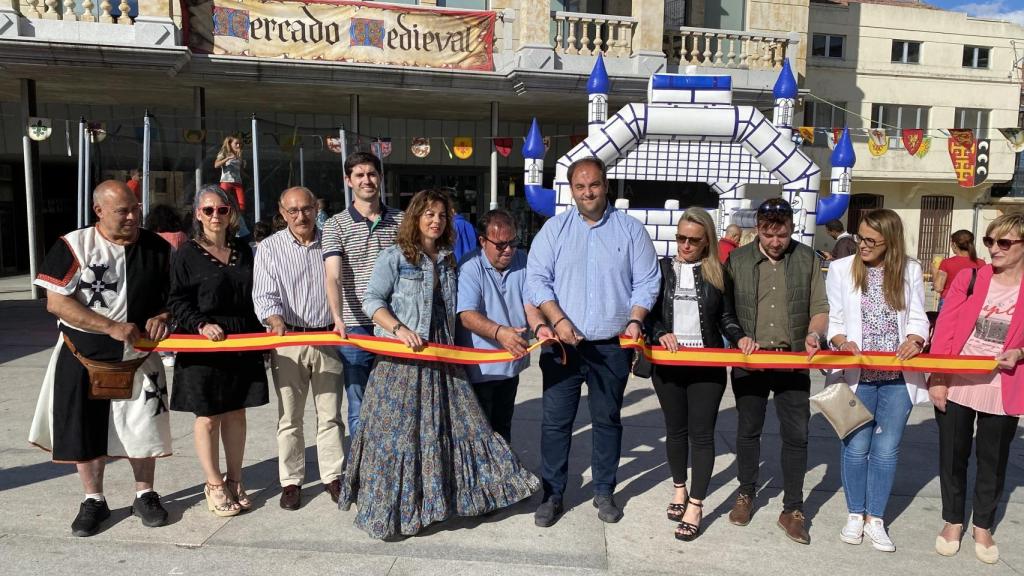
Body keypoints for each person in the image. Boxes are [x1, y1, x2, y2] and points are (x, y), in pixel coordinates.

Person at [339, 188, 539, 540]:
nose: (436, 221)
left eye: (442, 215)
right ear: (415, 217)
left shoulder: (448, 260)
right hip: (402, 361)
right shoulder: (394, 256)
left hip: (442, 359)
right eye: (429, 214)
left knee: (453, 430)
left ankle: (439, 503)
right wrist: (399, 329)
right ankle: (395, 510)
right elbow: (372, 301)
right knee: (399, 438)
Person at [29, 180, 172, 537]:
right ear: (99, 211)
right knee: (84, 429)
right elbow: (56, 302)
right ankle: (94, 499)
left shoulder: (156, 248)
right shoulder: (74, 245)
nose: (132, 216)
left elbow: (174, 297)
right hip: (82, 356)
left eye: (135, 209)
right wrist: (109, 326)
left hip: (139, 357)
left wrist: (164, 316)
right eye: (123, 211)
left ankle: (145, 495)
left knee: (144, 428)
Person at [526, 157, 661, 527]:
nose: (588, 193)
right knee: (555, 424)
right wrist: (558, 319)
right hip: (562, 347)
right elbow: (536, 280)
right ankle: (552, 494)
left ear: (606, 185)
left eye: (594, 185)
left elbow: (647, 281)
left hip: (611, 347)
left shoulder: (630, 231)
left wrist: (636, 320)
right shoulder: (554, 230)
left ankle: (604, 490)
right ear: (571, 190)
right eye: (580, 186)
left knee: (607, 421)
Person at [645, 207, 755, 541]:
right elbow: (649, 314)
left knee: (702, 434)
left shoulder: (718, 272)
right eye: (681, 238)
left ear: (707, 240)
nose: (685, 245)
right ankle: (679, 489)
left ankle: (696, 504)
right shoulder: (662, 269)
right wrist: (660, 332)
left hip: (707, 364)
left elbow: (726, 317)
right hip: (668, 364)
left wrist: (740, 337)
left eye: (693, 240)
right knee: (675, 430)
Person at [724, 197, 828, 545]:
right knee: (748, 430)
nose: (775, 242)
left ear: (791, 229)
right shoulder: (737, 260)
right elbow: (725, 310)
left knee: (797, 435)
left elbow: (820, 307)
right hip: (750, 361)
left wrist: (814, 334)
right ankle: (746, 493)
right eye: (768, 235)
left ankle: (793, 508)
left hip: (792, 360)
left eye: (782, 235)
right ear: (757, 229)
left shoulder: (807, 259)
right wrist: (737, 337)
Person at [825, 209, 929, 553]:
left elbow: (918, 316)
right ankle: (855, 513)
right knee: (856, 447)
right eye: (860, 238)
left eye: (872, 240)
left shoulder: (910, 270)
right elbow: (835, 319)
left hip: (898, 377)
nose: (863, 245)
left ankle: (876, 519)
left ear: (890, 241)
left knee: (886, 450)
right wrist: (842, 342)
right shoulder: (841, 269)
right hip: (857, 377)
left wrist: (915, 339)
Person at [167, 184, 269, 518]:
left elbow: (258, 294)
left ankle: (235, 479)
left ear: (230, 213)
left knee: (237, 413)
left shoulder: (245, 250)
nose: (215, 216)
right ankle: (213, 483)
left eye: (221, 210)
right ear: (198, 214)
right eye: (208, 210)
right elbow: (177, 300)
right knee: (208, 416)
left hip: (242, 340)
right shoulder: (186, 253)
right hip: (203, 343)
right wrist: (200, 324)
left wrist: (265, 333)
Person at [928, 213, 1024, 565]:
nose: (994, 249)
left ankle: (982, 525)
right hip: (958, 381)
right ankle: (953, 520)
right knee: (952, 455)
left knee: (992, 460)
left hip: (1003, 385)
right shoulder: (970, 278)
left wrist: (1020, 352)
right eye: (989, 241)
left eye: (1004, 242)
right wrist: (938, 377)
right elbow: (945, 328)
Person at [253, 186, 344, 510]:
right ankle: (291, 482)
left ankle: (333, 476)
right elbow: (264, 294)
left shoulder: (332, 242)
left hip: (328, 338)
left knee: (330, 415)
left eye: (306, 209)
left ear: (316, 208)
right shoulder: (270, 247)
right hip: (289, 340)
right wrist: (274, 318)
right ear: (282, 212)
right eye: (292, 211)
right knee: (290, 417)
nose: (300, 216)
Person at [322, 152, 402, 438]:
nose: (366, 180)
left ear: (380, 178)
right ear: (348, 181)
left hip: (394, 325)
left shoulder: (402, 220)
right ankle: (360, 464)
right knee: (360, 405)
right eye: (359, 175)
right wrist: (337, 318)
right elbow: (333, 276)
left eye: (371, 174)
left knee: (396, 403)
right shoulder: (335, 225)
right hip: (356, 327)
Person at [456, 209, 553, 443]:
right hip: (480, 369)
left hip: (510, 364)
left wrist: (540, 327)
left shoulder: (522, 260)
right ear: (483, 241)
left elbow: (530, 305)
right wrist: (500, 333)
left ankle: (504, 466)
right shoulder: (470, 266)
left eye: (513, 243)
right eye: (500, 245)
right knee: (480, 435)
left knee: (503, 428)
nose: (508, 250)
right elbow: (466, 315)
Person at [933, 229, 984, 311]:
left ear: (954, 244)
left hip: (949, 301)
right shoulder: (981, 264)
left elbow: (938, 287)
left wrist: (934, 270)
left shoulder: (947, 263)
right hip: (972, 302)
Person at [215, 135, 246, 212]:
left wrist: (242, 163)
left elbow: (240, 170)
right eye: (236, 143)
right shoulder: (224, 153)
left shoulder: (239, 155)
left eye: (239, 144)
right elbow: (216, 165)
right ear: (230, 144)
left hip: (237, 182)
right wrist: (227, 158)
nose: (238, 145)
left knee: (242, 204)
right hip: (226, 181)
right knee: (223, 201)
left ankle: (238, 216)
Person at [452, 196, 477, 262]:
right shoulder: (470, 225)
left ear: (452, 210)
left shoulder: (452, 225)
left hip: (457, 263)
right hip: (471, 262)